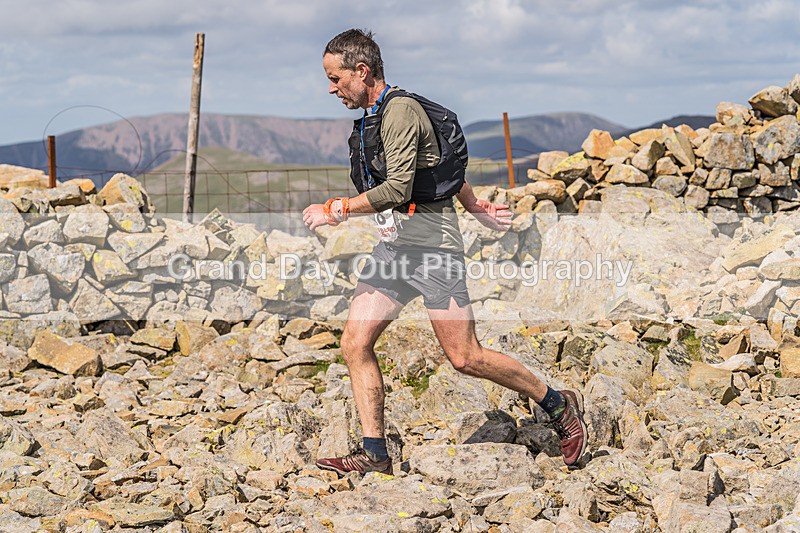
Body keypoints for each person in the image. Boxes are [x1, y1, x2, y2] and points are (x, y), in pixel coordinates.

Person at [302, 28, 587, 474]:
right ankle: (374, 453)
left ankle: (557, 405)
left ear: (362, 71)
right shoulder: (374, 117)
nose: (331, 88)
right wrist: (473, 203)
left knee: (465, 357)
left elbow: (398, 187)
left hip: (434, 249)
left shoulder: (400, 113)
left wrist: (336, 209)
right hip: (395, 250)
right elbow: (434, 167)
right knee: (355, 343)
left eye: (336, 78)